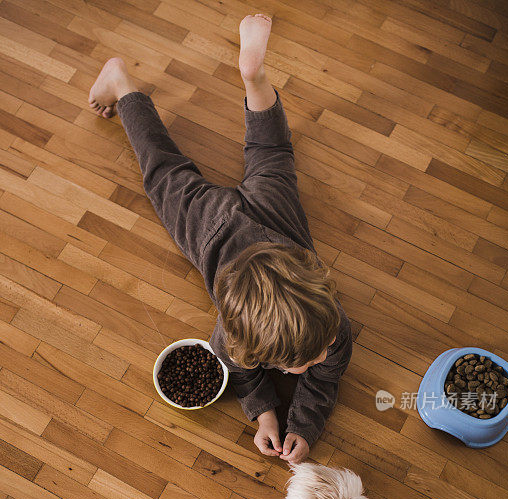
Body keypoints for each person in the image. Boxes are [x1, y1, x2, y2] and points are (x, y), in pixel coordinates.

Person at [88, 13, 352, 465]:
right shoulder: (230, 341)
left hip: (277, 223)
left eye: (318, 352)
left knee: (264, 153)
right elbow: (245, 373)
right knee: (166, 172)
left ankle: (251, 76)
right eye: (302, 366)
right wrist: (266, 411)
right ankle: (124, 84)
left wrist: (294, 423)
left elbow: (324, 373)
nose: (321, 359)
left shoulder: (330, 326)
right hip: (213, 229)